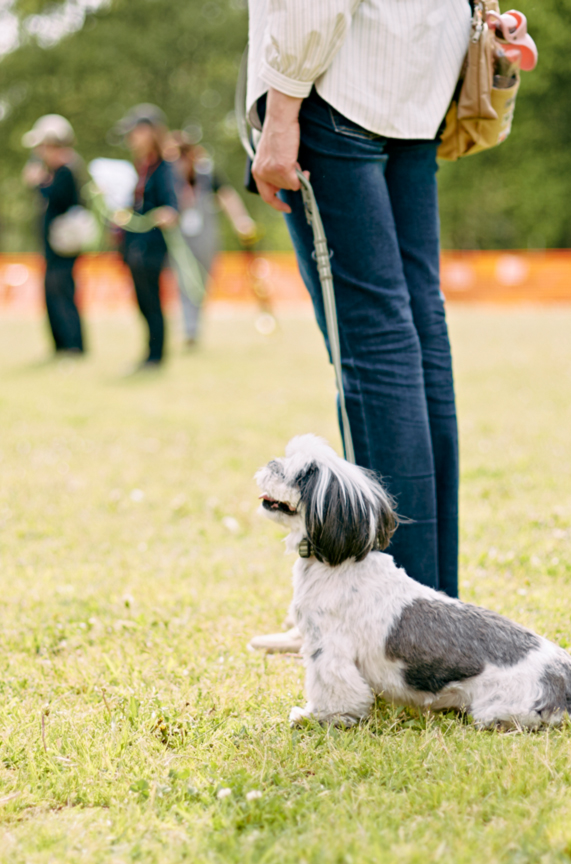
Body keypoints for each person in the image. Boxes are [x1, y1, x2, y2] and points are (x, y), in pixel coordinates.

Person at [246, 0, 471, 599]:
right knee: (417, 329)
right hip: (418, 78)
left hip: (337, 83)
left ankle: (401, 605)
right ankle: (433, 594)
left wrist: (281, 109)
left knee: (374, 343)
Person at [169, 131, 256, 348]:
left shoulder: (206, 173)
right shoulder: (169, 177)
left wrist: (241, 221)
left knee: (202, 282)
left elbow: (227, 196)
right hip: (180, 239)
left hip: (205, 237)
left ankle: (194, 326)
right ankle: (190, 329)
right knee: (185, 280)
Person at [116, 104, 178, 372]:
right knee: (142, 300)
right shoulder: (141, 168)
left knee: (152, 300)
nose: (132, 137)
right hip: (134, 245)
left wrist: (166, 213)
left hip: (152, 246)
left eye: (136, 131)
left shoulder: (165, 167)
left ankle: (156, 356)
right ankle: (149, 353)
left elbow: (172, 207)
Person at [22, 114, 86, 358]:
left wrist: (40, 182)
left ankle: (73, 345)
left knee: (64, 292)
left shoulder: (67, 169)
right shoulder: (55, 170)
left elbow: (58, 198)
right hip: (52, 246)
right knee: (52, 293)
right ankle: (60, 345)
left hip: (65, 245)